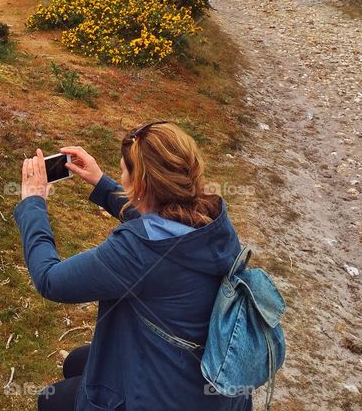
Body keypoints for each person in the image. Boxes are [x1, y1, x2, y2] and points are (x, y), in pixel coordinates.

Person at [13, 121, 252, 411]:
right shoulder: (211, 220)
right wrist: (101, 183)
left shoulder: (136, 251)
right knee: (77, 361)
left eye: (124, 172)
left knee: (50, 400)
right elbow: (160, 226)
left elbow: (50, 280)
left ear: (140, 184)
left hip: (167, 398)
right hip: (209, 384)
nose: (121, 177)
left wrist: (33, 203)